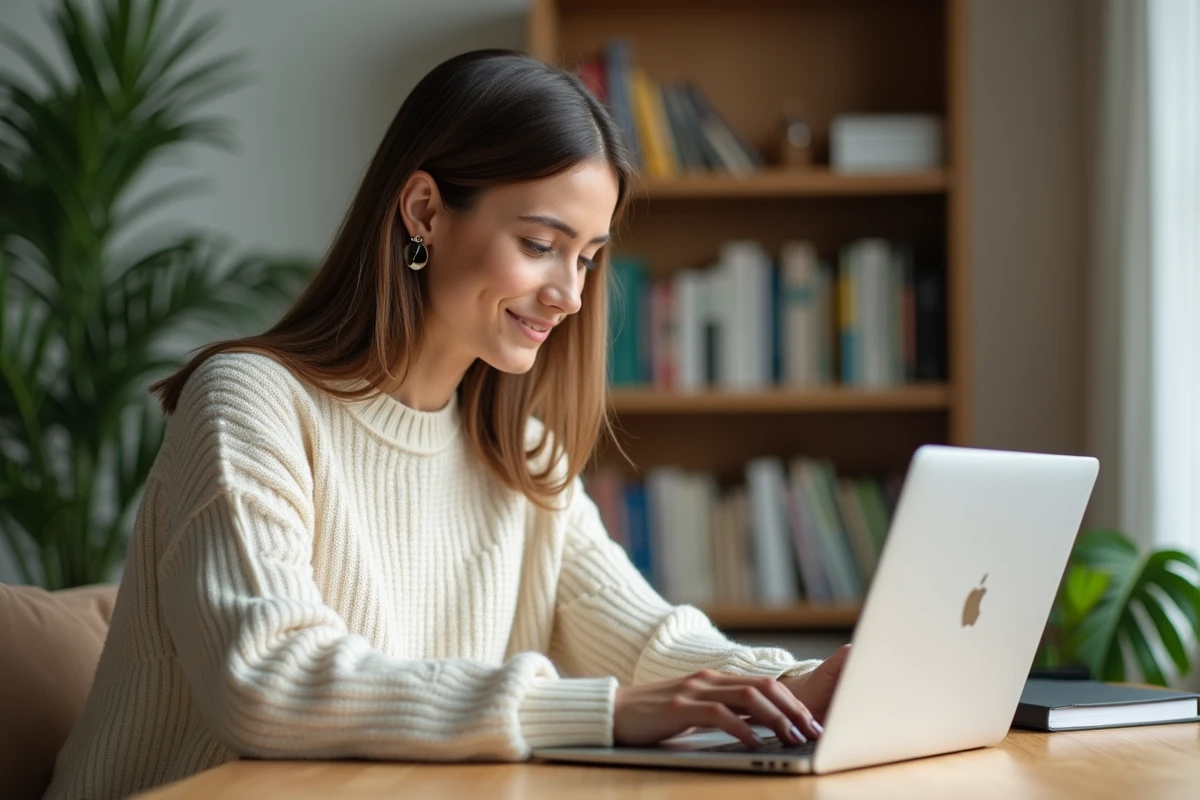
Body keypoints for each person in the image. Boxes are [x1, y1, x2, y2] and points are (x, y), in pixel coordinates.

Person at [46, 49, 849, 800]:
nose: (570, 295)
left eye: (588, 257)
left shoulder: (520, 458)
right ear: (426, 211)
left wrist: (802, 682)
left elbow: (647, 642)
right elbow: (270, 680)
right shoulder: (253, 402)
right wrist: (599, 712)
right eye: (541, 243)